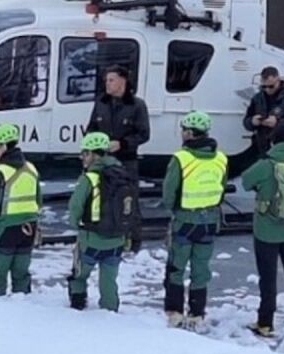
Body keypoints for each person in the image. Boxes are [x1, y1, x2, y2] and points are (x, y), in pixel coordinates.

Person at [241, 123, 284, 338]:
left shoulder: (266, 165)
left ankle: (265, 322)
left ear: (272, 141)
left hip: (267, 230)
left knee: (268, 278)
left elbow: (245, 182)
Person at [161, 111, 227, 330]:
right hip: (209, 221)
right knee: (201, 269)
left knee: (176, 267)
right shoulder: (221, 158)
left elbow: (169, 191)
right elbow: (222, 187)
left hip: (184, 221)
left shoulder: (181, 158)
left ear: (188, 133)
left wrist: (173, 209)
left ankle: (175, 311)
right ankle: (197, 313)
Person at [85, 65, 149, 251]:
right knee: (101, 198)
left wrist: (123, 143)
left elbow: (143, 134)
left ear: (123, 81)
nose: (107, 84)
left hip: (126, 161)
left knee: (129, 200)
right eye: (106, 80)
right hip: (102, 161)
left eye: (111, 80)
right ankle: (101, 235)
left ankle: (134, 240)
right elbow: (91, 128)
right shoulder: (101, 103)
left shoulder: (137, 105)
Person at [67, 132, 128, 312]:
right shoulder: (123, 174)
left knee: (79, 275)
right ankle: (110, 310)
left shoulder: (89, 178)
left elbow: (75, 206)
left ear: (93, 154)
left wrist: (75, 224)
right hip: (117, 239)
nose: (82, 158)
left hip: (91, 239)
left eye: (85, 153)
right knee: (109, 280)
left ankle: (77, 306)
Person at [0, 123, 41, 296]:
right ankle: (22, 306)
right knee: (21, 272)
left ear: (4, 146)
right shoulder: (31, 168)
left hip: (5, 229)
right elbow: (39, 199)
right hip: (29, 228)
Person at [243, 66, 284, 157]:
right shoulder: (257, 98)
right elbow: (246, 122)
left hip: (282, 148)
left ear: (278, 81)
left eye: (271, 86)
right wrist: (252, 121)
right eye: (264, 87)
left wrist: (278, 122)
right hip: (260, 147)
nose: (267, 89)